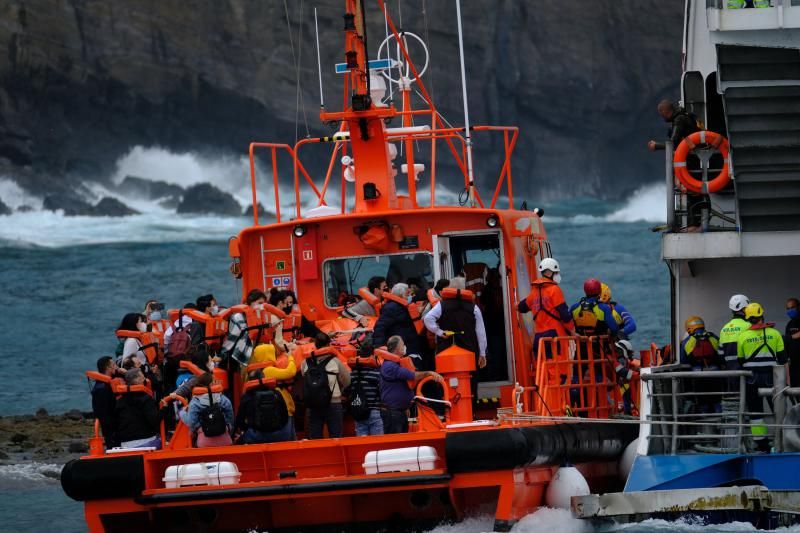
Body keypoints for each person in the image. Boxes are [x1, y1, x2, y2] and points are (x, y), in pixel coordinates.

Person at [423, 276, 488, 398]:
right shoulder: (473, 308)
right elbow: (480, 332)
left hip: (446, 349)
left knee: (446, 380)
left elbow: (428, 319)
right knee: (471, 381)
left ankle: (447, 409)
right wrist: (482, 353)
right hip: (469, 349)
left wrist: (440, 332)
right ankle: (471, 409)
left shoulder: (441, 306)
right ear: (463, 289)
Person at [737, 302, 787, 452]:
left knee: (755, 411)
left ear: (748, 319)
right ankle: (782, 439)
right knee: (778, 408)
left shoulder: (743, 336)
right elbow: (783, 359)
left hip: (751, 378)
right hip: (772, 377)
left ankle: (761, 444)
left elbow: (741, 359)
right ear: (762, 316)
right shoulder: (775, 333)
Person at [380, 336, 443, 434]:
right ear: (397, 348)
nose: (404, 347)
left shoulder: (396, 364)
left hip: (400, 413)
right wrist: (428, 373)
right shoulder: (389, 366)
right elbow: (411, 375)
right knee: (395, 444)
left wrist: (405, 407)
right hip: (392, 414)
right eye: (402, 345)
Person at [236, 344, 297, 443]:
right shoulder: (269, 370)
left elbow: (240, 419)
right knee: (290, 439)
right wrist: (290, 357)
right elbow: (291, 372)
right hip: (283, 406)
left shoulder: (257, 371)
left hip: (258, 428)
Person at [517, 258, 574, 356]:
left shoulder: (534, 292)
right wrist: (572, 331)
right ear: (549, 273)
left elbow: (522, 307)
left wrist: (516, 305)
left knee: (543, 367)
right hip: (555, 337)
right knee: (558, 368)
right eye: (556, 273)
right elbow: (565, 315)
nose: (557, 275)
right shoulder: (555, 290)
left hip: (539, 338)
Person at [301, 334, 351, 439]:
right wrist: (340, 390)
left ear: (315, 345)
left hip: (313, 404)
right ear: (328, 345)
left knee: (315, 438)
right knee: (336, 437)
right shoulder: (335, 361)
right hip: (333, 403)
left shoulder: (305, 362)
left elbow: (304, 377)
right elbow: (347, 381)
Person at [680, 316, 724, 414]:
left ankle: (703, 423)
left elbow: (683, 360)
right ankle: (720, 421)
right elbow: (721, 355)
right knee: (717, 401)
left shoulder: (687, 341)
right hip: (715, 375)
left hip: (698, 376)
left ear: (689, 328)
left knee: (702, 402)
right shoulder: (713, 337)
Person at [180, 372, 234, 447]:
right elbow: (230, 418)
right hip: (225, 441)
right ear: (211, 384)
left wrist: (182, 413)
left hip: (204, 442)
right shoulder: (223, 399)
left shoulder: (195, 402)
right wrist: (228, 429)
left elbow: (191, 422)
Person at [373, 282, 423, 358]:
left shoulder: (405, 306)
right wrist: (379, 345)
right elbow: (380, 327)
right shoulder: (391, 308)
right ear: (400, 295)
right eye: (407, 294)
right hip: (402, 346)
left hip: (410, 344)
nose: (410, 296)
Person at [114, 369, 161, 449]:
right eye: (143, 377)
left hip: (125, 444)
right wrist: (163, 410)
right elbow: (155, 421)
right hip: (145, 441)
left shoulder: (119, 401)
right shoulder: (146, 399)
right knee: (161, 440)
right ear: (137, 380)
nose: (145, 379)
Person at [346, 342, 384, 436]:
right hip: (374, 412)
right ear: (372, 355)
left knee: (362, 444)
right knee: (377, 445)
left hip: (358, 412)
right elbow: (382, 391)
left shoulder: (352, 373)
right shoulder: (376, 374)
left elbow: (348, 389)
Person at [91, 356, 122, 448]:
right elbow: (104, 413)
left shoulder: (106, 384)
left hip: (115, 428)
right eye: (114, 365)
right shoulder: (102, 388)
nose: (116, 367)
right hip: (112, 430)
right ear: (108, 368)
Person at [613, 340, 639, 415]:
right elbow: (623, 372)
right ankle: (625, 411)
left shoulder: (622, 360)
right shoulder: (615, 359)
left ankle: (627, 412)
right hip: (609, 383)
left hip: (618, 382)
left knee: (626, 391)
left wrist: (636, 369)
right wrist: (639, 375)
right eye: (629, 352)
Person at [786, 298, 800, 386]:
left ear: (798, 307)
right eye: (788, 308)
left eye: (792, 307)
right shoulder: (789, 324)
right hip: (794, 364)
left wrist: (792, 336)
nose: (790, 310)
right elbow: (787, 341)